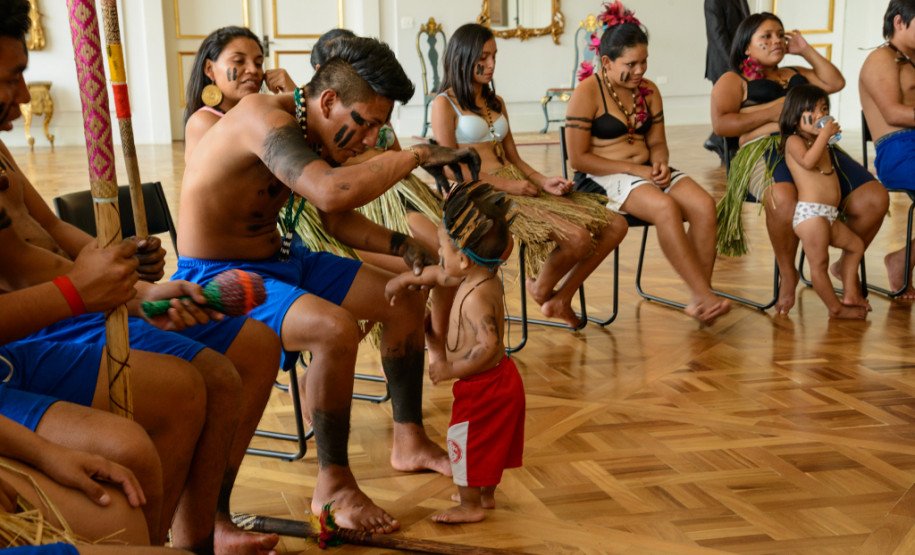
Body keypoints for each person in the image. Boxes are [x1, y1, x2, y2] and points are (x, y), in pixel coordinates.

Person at [0, 4, 283, 552]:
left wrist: (129, 276)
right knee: (183, 392)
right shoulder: (211, 121)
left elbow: (48, 232)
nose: (25, 96)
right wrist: (107, 292)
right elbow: (25, 273)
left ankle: (201, 532)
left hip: (71, 301)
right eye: (11, 78)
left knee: (238, 362)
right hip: (45, 322)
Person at [173, 35, 482, 534]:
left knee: (403, 295)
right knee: (334, 329)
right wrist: (417, 155)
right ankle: (331, 487)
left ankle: (407, 441)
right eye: (366, 124)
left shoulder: (313, 128)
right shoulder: (260, 116)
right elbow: (330, 191)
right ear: (330, 101)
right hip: (219, 277)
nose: (369, 139)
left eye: (380, 127)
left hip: (282, 259)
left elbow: (337, 222)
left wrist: (409, 251)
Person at [431, 23, 626, 329]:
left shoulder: (496, 103)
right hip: (479, 193)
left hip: (516, 183)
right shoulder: (445, 104)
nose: (492, 64)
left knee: (616, 224)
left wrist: (542, 180)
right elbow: (452, 168)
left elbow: (515, 158)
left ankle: (560, 297)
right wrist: (511, 186)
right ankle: (541, 290)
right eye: (484, 57)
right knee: (577, 238)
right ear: (462, 58)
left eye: (495, 56)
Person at [712, 12, 888, 314]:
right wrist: (775, 113)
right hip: (761, 150)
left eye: (780, 34)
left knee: (875, 198)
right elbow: (722, 125)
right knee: (783, 197)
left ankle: (844, 262)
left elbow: (835, 82)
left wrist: (805, 49)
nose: (776, 41)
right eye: (765, 37)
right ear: (746, 47)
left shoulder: (794, 71)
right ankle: (788, 272)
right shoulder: (734, 80)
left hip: (816, 147)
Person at [565, 5, 730, 325]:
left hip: (645, 172)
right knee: (666, 208)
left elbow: (656, 142)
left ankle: (701, 296)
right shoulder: (587, 93)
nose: (640, 69)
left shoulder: (649, 91)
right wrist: (636, 171)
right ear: (607, 62)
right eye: (631, 63)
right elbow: (578, 159)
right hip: (602, 176)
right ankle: (704, 296)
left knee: (705, 205)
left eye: (644, 61)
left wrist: (660, 164)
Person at [384, 181, 524, 524]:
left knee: (464, 442)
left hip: (485, 386)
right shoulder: (472, 275)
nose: (439, 253)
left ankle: (469, 505)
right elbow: (438, 274)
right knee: (487, 442)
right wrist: (404, 280)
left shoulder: (476, 296)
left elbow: (489, 346)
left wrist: (451, 368)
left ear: (462, 258)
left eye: (442, 247)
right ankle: (485, 495)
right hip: (499, 382)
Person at [779, 85, 867, 319]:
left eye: (824, 109)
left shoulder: (823, 145)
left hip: (828, 214)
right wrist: (825, 136)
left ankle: (851, 294)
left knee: (856, 245)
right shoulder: (793, 142)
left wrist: (825, 138)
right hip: (811, 215)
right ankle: (836, 308)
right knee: (819, 264)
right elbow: (807, 162)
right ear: (795, 117)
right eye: (812, 110)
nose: (820, 115)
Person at [860, 0, 915, 298]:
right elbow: (893, 113)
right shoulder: (881, 59)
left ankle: (903, 259)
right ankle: (901, 260)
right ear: (899, 21)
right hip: (899, 150)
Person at [183, 26, 294, 162]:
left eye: (258, 63)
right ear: (209, 68)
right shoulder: (203, 121)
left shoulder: (259, 112)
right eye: (239, 61)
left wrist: (293, 94)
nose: (253, 70)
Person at [703, 0, 750, 161]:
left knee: (737, 107)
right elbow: (717, 35)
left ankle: (716, 142)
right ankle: (726, 151)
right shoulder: (712, 2)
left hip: (740, 61)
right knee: (726, 110)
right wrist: (734, 63)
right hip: (723, 63)